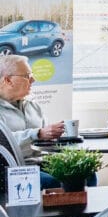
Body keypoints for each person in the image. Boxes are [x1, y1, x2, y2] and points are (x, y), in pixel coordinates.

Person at [0, 54, 83, 186]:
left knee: (86, 174)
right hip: (13, 170)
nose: (33, 79)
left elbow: (45, 138)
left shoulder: (33, 106)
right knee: (54, 182)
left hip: (42, 162)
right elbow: (5, 141)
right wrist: (37, 133)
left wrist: (54, 134)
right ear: (8, 80)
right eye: (27, 76)